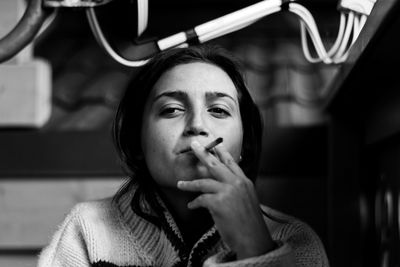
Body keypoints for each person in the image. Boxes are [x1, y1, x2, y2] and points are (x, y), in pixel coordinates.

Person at [38, 45, 329, 267]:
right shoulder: (85, 229)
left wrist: (254, 246)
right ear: (137, 141)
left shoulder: (296, 241)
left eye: (218, 110)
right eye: (172, 110)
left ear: (246, 145)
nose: (197, 126)